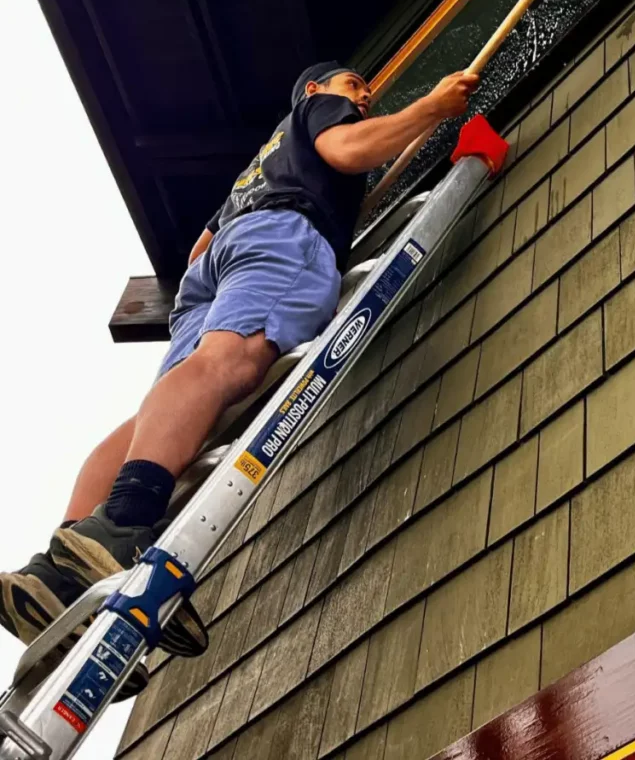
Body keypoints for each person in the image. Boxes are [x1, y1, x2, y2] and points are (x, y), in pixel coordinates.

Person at [0, 61, 478, 694]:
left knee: (171, 405)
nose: (365, 96)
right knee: (236, 362)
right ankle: (124, 525)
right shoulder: (316, 113)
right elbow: (347, 148)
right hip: (284, 231)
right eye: (354, 85)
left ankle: (61, 569)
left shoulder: (262, 161)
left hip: (218, 260)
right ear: (313, 90)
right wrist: (432, 108)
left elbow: (201, 247)